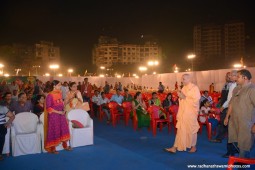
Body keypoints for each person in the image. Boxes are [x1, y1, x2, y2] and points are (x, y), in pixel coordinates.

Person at [164, 74, 200, 153]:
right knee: (180, 129)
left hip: (191, 113)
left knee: (192, 129)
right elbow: (182, 99)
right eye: (182, 79)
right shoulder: (184, 88)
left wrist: (184, 97)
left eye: (184, 79)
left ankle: (193, 146)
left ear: (189, 79)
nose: (182, 81)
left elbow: (196, 102)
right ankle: (175, 147)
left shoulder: (194, 88)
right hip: (183, 112)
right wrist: (180, 95)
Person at [224, 69, 255, 158]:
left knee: (245, 145)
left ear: (245, 78)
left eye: (238, 77)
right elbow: (231, 104)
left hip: (246, 123)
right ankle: (241, 160)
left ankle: (243, 164)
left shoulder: (252, 89)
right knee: (235, 141)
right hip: (234, 122)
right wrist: (227, 117)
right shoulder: (236, 89)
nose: (236, 78)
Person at [210, 70, 238, 158]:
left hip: (233, 110)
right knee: (228, 129)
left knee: (232, 131)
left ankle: (233, 151)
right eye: (228, 76)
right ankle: (232, 151)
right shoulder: (230, 85)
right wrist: (221, 106)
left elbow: (230, 100)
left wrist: (223, 107)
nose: (229, 77)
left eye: (231, 75)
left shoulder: (237, 85)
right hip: (228, 108)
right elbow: (226, 98)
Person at [44, 80, 72, 154]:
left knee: (63, 129)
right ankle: (53, 148)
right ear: (54, 86)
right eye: (59, 85)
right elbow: (48, 108)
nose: (60, 87)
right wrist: (58, 112)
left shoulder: (59, 93)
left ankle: (65, 145)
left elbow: (61, 103)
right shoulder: (50, 95)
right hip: (54, 116)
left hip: (61, 114)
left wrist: (64, 108)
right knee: (54, 130)